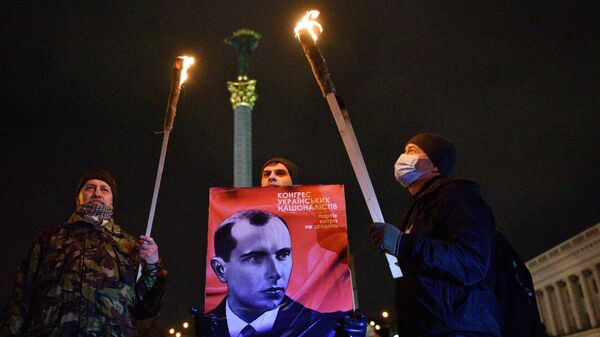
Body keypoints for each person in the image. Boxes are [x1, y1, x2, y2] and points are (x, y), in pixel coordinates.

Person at [0, 170, 167, 337]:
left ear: (112, 202)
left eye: (104, 189)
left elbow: (145, 310)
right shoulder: (49, 240)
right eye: (90, 188)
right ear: (78, 199)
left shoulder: (130, 246)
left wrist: (152, 266)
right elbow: (20, 298)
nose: (97, 193)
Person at [369, 133, 500, 336]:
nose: (403, 157)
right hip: (431, 328)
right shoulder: (420, 208)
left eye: (412, 151)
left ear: (435, 165)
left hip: (459, 328)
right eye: (404, 151)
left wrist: (403, 244)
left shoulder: (458, 197)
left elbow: (471, 261)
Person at [205, 209, 348, 337]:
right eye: (255, 258)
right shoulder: (209, 327)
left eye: (283, 254)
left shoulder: (325, 326)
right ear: (220, 269)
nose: (276, 272)